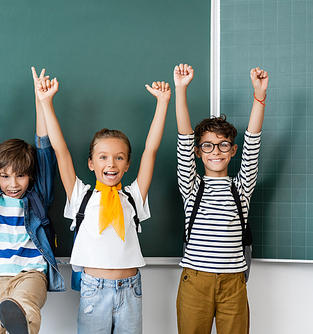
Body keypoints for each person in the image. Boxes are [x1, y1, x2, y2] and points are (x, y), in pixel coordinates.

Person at [36, 70, 171, 333]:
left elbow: (151, 152)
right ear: (91, 163)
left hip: (131, 289)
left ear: (128, 164)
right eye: (103, 157)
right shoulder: (81, 196)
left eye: (119, 158)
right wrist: (46, 103)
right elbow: (61, 151)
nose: (111, 163)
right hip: (93, 288)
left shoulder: (133, 196)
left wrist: (163, 103)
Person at [0, 67, 65, 334]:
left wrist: (41, 100)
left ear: (30, 177)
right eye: (6, 176)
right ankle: (16, 318)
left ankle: (20, 319)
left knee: (25, 306)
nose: (13, 184)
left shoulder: (37, 195)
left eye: (20, 176)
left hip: (31, 274)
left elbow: (44, 148)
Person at [174, 63, 268, 334]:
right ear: (198, 152)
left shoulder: (241, 187)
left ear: (233, 150)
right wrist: (181, 90)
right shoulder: (191, 186)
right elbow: (183, 137)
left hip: (233, 283)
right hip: (195, 282)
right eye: (207, 145)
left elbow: (254, 141)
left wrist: (259, 96)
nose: (216, 151)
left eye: (223, 144)